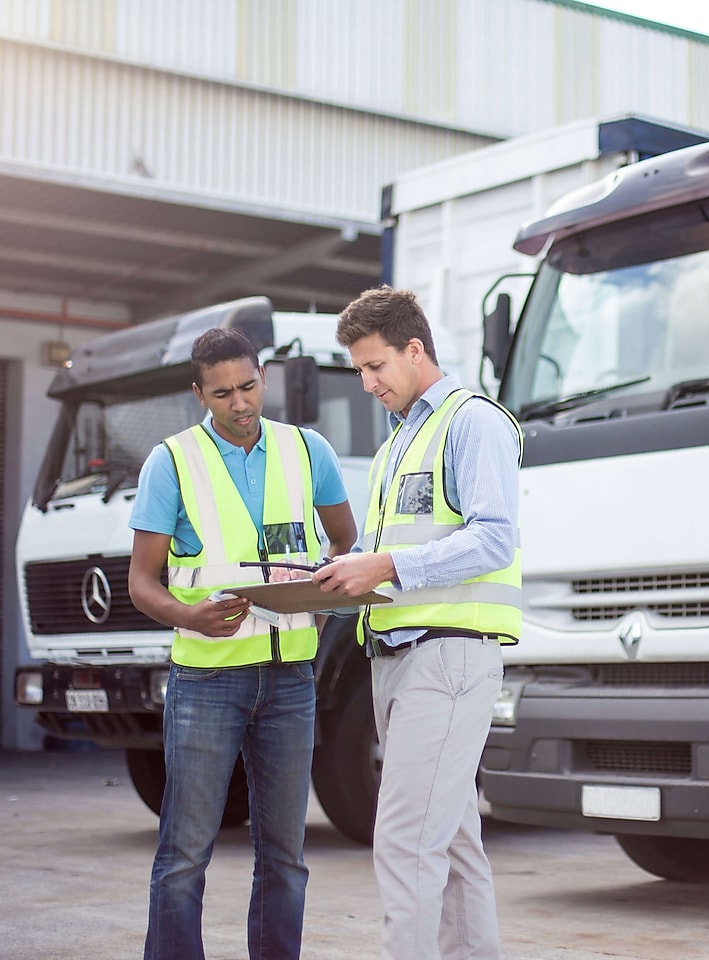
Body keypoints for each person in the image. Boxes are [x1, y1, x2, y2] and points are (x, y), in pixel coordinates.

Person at [128, 326, 357, 960]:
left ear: (264, 376)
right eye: (223, 393)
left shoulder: (309, 452)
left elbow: (346, 545)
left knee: (285, 855)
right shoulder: (170, 462)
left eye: (249, 386)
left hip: (290, 680)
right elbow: (142, 583)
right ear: (198, 392)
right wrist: (190, 616)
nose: (240, 403)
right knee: (185, 853)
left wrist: (319, 603)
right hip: (207, 679)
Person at [311, 286, 522, 960]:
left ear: (415, 349)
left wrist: (386, 565)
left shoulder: (471, 422)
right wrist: (332, 571)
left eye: (376, 367)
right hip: (399, 659)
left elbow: (496, 539)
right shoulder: (399, 442)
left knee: (405, 845)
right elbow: (384, 556)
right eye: (359, 371)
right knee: (452, 846)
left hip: (449, 659)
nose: (368, 383)